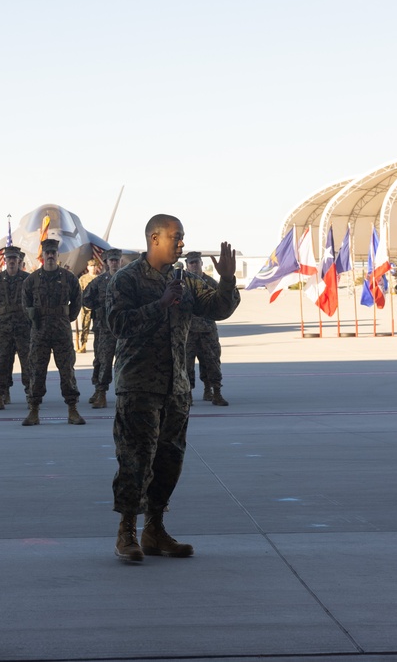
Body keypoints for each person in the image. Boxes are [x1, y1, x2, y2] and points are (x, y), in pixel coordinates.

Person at [107, 214, 239, 562]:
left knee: (170, 459)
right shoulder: (127, 279)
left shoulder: (186, 281)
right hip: (138, 386)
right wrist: (160, 304)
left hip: (176, 388)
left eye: (181, 237)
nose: (181, 243)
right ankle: (126, 532)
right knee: (135, 460)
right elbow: (118, 324)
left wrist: (226, 280)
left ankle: (154, 529)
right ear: (155, 239)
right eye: (176, 237)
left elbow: (219, 309)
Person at [21, 239, 85, 426]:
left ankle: (72, 410)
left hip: (61, 332)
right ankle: (34, 411)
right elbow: (26, 305)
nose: (50, 256)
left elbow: (77, 301)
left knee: (67, 371)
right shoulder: (31, 280)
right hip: (39, 331)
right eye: (47, 253)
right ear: (42, 256)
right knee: (37, 371)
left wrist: (66, 318)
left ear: (58, 255)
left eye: (53, 253)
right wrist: (34, 321)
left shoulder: (68, 278)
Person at [0, 247, 31, 411]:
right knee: (1, 362)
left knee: (28, 363)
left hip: (24, 328)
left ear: (19, 261)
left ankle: (32, 395)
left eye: (14, 258)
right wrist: (1, 314)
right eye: (8, 258)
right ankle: (0, 396)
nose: (11, 261)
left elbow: (34, 301)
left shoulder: (28, 280)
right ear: (5, 261)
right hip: (4, 329)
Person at [184, 252, 228, 406]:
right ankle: (187, 394)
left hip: (208, 331)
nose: (194, 265)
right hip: (188, 332)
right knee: (185, 364)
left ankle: (214, 391)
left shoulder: (211, 283)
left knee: (212, 362)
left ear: (201, 263)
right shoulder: (182, 284)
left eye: (196, 262)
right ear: (187, 265)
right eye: (191, 263)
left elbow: (220, 302)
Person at [82, 249, 122, 409]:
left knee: (124, 363)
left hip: (123, 329)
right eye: (111, 260)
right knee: (103, 361)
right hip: (104, 330)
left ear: (120, 262)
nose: (114, 263)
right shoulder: (99, 281)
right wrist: (99, 309)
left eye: (116, 260)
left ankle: (123, 393)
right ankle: (100, 392)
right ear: (106, 263)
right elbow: (85, 298)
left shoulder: (127, 280)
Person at [76, 259, 99, 353]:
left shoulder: (100, 278)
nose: (93, 268)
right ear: (88, 267)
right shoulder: (83, 278)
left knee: (98, 327)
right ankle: (83, 344)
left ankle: (98, 345)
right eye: (91, 266)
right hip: (86, 307)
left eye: (94, 266)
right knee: (85, 326)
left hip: (97, 307)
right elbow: (79, 292)